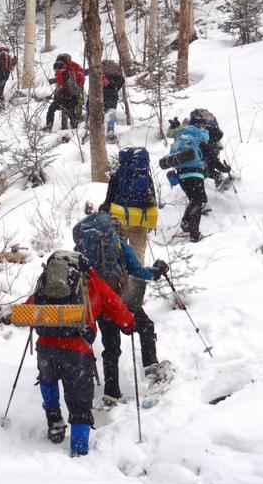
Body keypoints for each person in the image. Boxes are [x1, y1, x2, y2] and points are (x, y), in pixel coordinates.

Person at [26, 249, 135, 457]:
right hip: (77, 351)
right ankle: (78, 450)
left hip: (46, 348)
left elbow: (28, 309)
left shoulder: (48, 282)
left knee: (47, 380)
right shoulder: (92, 282)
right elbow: (117, 308)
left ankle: (54, 419)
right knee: (79, 400)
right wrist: (129, 324)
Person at [72, 212, 170, 407]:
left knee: (111, 346)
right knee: (145, 326)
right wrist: (157, 271)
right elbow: (139, 272)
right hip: (119, 297)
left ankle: (112, 393)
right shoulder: (117, 244)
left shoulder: (83, 246)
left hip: (97, 301)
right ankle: (152, 371)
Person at [98, 146, 158, 263]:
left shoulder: (117, 176)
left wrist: (104, 210)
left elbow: (109, 200)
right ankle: (138, 279)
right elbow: (153, 201)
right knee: (138, 253)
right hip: (141, 220)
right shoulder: (146, 177)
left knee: (118, 252)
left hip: (120, 218)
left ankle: (121, 278)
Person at [162, 120, 210, 242]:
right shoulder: (198, 139)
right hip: (195, 174)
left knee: (194, 200)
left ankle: (186, 222)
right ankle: (194, 234)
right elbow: (210, 155)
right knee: (198, 202)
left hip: (181, 176)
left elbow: (169, 133)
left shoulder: (179, 136)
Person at [188, 109, 232, 191]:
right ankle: (218, 178)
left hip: (207, 145)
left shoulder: (192, 130)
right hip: (211, 143)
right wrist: (223, 168)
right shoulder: (206, 128)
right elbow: (211, 157)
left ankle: (218, 178)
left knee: (208, 165)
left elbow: (211, 157)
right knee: (208, 164)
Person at [44, 53, 85, 132]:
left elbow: (73, 86)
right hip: (64, 95)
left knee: (68, 110)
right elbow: (60, 85)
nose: (57, 71)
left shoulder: (72, 71)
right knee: (56, 109)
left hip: (71, 95)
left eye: (58, 70)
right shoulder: (63, 70)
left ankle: (72, 128)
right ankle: (50, 126)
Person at [101, 59, 125, 143]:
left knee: (104, 111)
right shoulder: (116, 71)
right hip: (113, 92)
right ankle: (110, 131)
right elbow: (122, 80)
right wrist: (115, 88)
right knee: (111, 111)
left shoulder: (100, 70)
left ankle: (101, 130)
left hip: (102, 92)